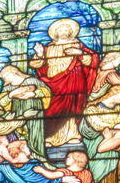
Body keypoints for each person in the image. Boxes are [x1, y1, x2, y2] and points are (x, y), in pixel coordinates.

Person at [32, 17, 101, 147]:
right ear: (55, 32)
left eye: (67, 29)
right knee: (52, 107)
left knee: (73, 105)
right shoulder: (49, 47)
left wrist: (79, 53)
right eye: (61, 29)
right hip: (52, 81)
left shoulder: (77, 44)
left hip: (74, 78)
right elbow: (38, 66)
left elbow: (93, 61)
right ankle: (52, 136)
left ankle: (72, 134)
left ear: (71, 32)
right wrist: (40, 54)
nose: (64, 31)